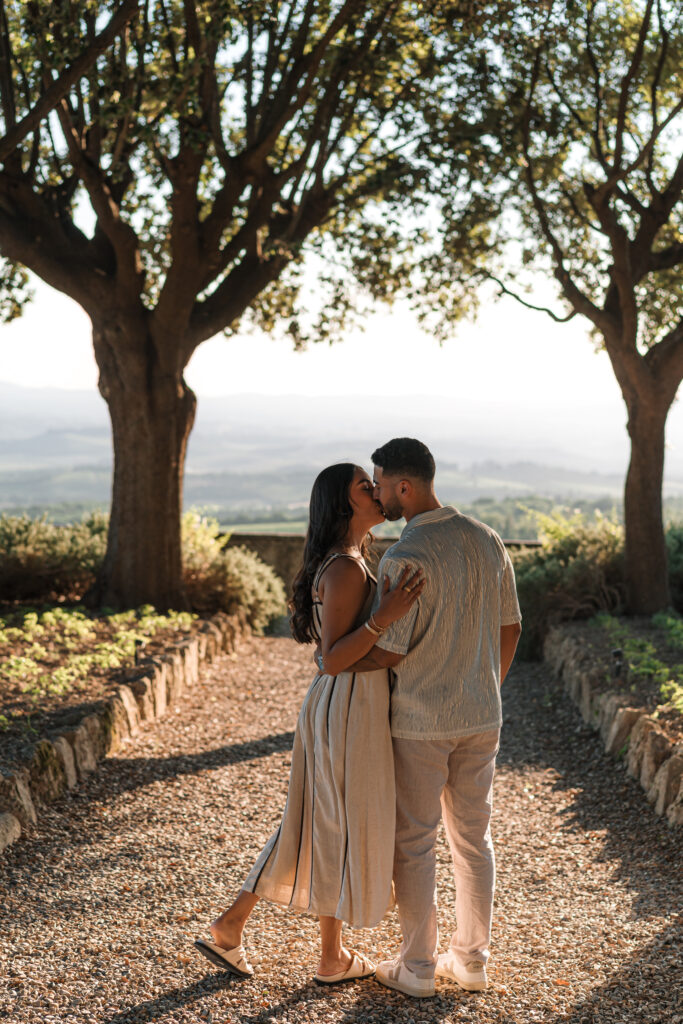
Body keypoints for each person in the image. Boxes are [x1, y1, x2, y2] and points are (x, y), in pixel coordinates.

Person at [194, 462, 425, 984]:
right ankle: (307, 949)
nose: (375, 492)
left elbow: (333, 659)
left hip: (345, 704)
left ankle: (290, 943)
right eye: (365, 488)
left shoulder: (349, 561)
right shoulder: (344, 568)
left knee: (321, 822)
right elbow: (333, 657)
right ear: (346, 505)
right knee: (328, 822)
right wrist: (385, 617)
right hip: (347, 706)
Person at [340, 438, 522, 998]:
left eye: (381, 484)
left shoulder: (404, 555)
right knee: (474, 840)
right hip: (481, 715)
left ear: (405, 486)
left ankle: (417, 967)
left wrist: (336, 663)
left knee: (415, 842)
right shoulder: (487, 538)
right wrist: (485, 688)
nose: (379, 495)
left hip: (420, 720)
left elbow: (390, 650)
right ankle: (471, 961)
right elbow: (511, 627)